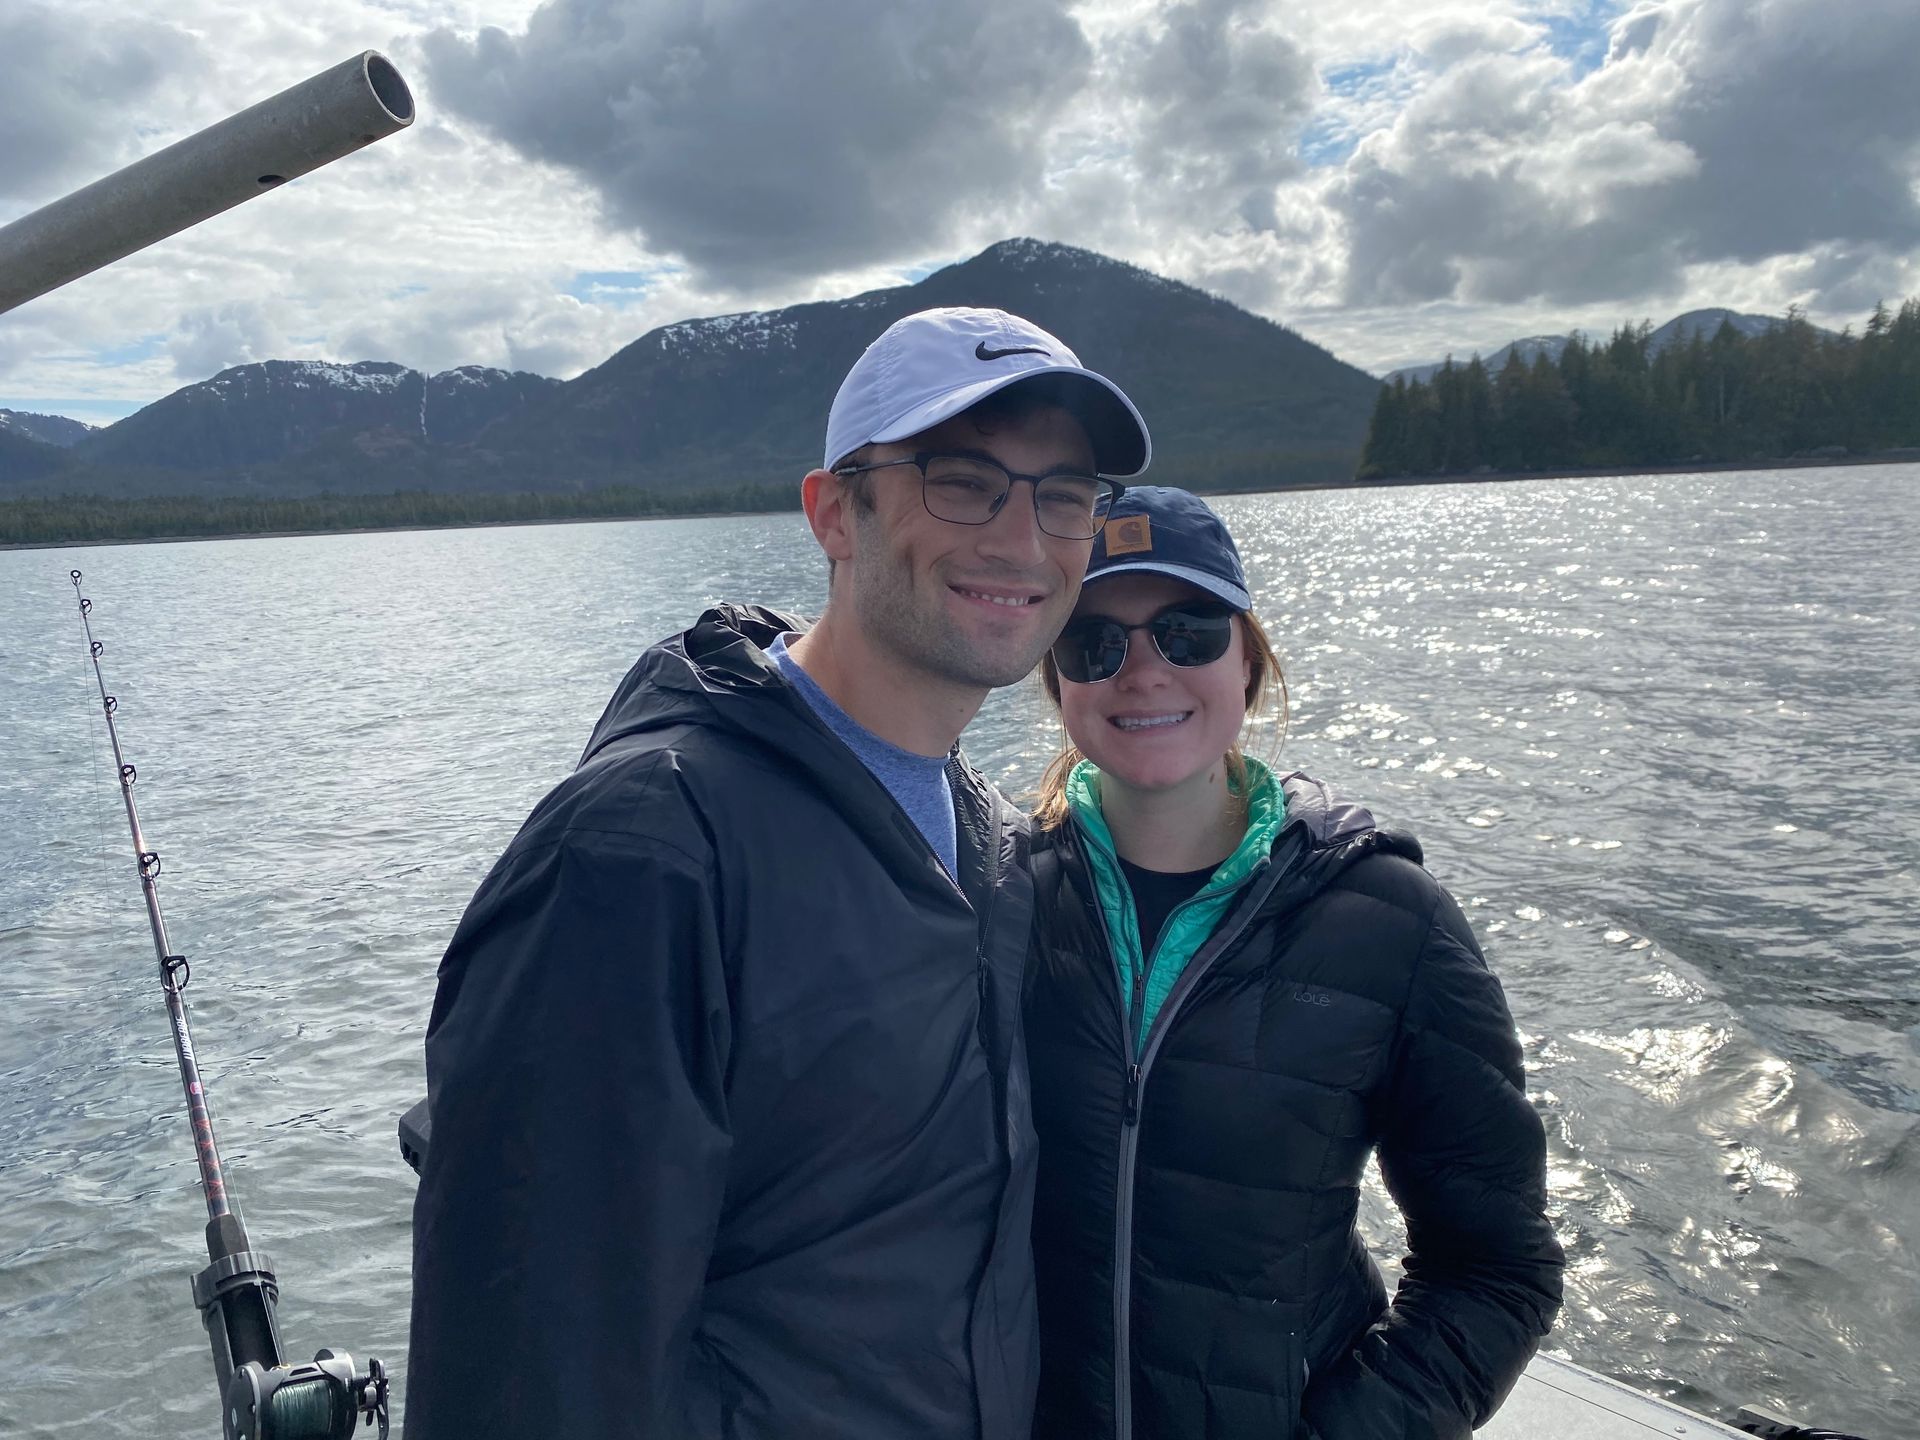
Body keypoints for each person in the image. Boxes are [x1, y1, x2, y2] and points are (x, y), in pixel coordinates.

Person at [402, 306, 1150, 1439]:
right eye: (962, 480)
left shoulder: (983, 839)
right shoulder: (639, 853)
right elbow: (535, 1363)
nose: (1022, 539)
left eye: (1064, 496)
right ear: (832, 513)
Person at [1023, 486, 1564, 1439]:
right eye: (1094, 642)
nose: (1142, 672)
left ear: (1250, 662)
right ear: (1058, 679)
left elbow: (1495, 1267)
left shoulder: (1389, 920)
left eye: (1188, 632)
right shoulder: (1002, 897)